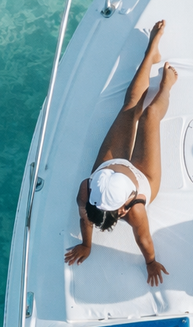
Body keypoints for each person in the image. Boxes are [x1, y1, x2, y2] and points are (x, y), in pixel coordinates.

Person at [65, 20, 177, 286]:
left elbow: (87, 220)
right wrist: (150, 262)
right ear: (124, 209)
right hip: (143, 181)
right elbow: (144, 239)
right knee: (150, 116)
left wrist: (86, 244)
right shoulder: (135, 210)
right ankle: (166, 87)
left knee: (131, 105)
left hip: (110, 164)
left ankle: (151, 53)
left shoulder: (85, 189)